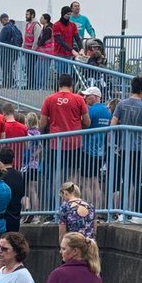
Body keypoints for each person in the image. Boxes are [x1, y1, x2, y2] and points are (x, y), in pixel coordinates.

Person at [40, 72, 91, 201]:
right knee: (73, 176)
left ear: (59, 84)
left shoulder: (49, 99)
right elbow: (87, 122)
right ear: (72, 85)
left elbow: (42, 123)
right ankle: (72, 204)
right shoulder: (78, 99)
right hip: (74, 143)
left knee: (54, 177)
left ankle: (53, 209)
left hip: (55, 143)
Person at [110, 75, 142, 221]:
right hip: (140, 150)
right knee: (139, 181)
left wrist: (113, 143)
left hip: (124, 149)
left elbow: (113, 124)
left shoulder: (121, 105)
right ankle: (139, 214)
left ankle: (123, 212)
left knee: (125, 181)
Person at [0, 147, 26, 233]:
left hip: (1, 216)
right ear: (13, 159)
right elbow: (22, 193)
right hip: (16, 215)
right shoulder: (19, 175)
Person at [0, 13, 23, 88]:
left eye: (1, 20)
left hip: (5, 52)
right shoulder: (15, 27)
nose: (1, 22)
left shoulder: (6, 28)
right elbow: (21, 40)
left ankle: (6, 84)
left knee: (5, 68)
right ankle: (10, 83)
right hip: (14, 52)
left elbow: (0, 39)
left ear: (4, 20)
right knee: (9, 67)